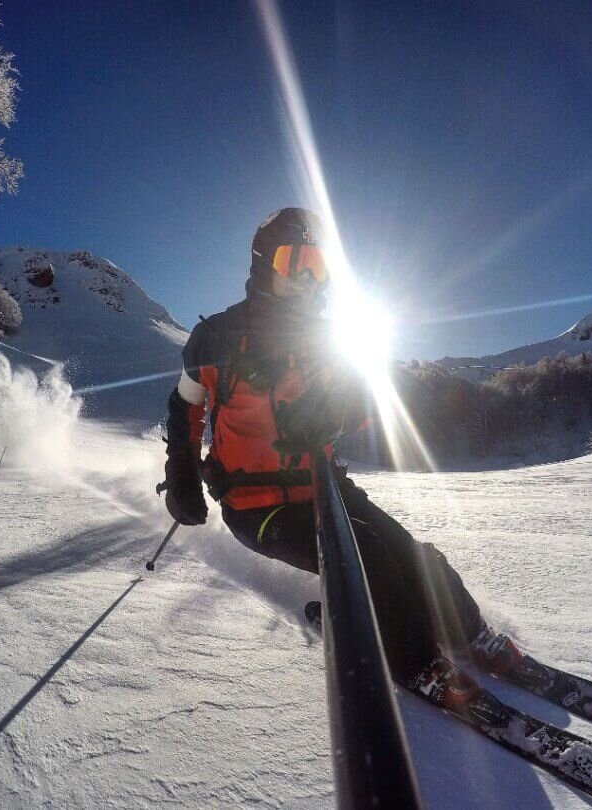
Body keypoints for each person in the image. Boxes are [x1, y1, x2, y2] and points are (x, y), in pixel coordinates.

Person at [161, 207, 517, 707]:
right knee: (369, 559)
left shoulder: (328, 339)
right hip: (257, 505)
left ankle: (469, 633)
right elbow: (184, 406)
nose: (307, 278)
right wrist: (182, 474)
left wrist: (334, 413)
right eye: (295, 261)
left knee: (410, 552)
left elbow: (367, 404)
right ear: (265, 263)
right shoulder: (215, 339)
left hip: (326, 486)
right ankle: (414, 660)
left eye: (319, 266)